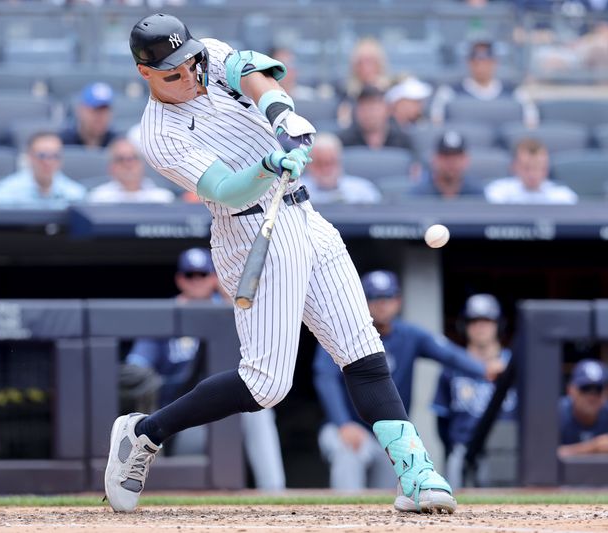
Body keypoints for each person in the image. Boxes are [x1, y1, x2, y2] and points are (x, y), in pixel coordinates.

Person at [105, 14, 458, 515]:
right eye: (171, 72)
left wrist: (280, 114)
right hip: (247, 228)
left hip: (304, 214)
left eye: (188, 63)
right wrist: (267, 165)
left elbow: (253, 72)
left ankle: (416, 471)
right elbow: (224, 189)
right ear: (145, 73)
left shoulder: (209, 54)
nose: (187, 76)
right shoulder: (158, 134)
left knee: (362, 349)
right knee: (266, 384)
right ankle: (144, 432)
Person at [313, 271, 504, 490]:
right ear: (361, 301)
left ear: (398, 301)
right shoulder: (342, 334)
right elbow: (325, 379)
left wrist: (483, 369)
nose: (382, 304)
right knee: (347, 451)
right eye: (374, 298)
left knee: (387, 492)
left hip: (389, 433)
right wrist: (342, 422)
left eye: (388, 298)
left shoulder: (410, 335)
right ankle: (343, 516)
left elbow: (448, 354)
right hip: (347, 427)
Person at [121, 247, 286, 491]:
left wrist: (228, 296)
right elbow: (137, 366)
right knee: (185, 476)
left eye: (203, 275)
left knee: (261, 413)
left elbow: (262, 324)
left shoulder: (235, 311)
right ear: (180, 279)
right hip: (184, 409)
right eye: (190, 275)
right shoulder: (166, 314)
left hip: (228, 404)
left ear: (214, 278)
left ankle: (274, 491)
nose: (197, 281)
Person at [433, 294, 517, 488]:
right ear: (464, 325)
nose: (480, 326)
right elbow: (441, 420)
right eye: (474, 321)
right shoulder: (452, 365)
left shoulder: (514, 365)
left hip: (505, 450)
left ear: (498, 325)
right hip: (463, 449)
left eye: (487, 320)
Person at [429, 40, 537, 127]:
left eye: (485, 60)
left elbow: (530, 126)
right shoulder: (448, 93)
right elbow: (437, 125)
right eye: (476, 61)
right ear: (469, 62)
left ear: (494, 62)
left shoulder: (516, 93)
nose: (480, 66)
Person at [0, 132, 87, 209]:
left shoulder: (76, 195)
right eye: (42, 156)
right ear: (29, 157)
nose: (48, 162)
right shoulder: (6, 193)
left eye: (55, 156)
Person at [484, 138, 578, 204]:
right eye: (526, 168)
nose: (533, 174)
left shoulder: (563, 197)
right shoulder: (498, 192)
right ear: (514, 167)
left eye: (538, 167)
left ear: (547, 168)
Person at [299, 132, 381, 204]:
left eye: (330, 163)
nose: (326, 170)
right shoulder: (296, 193)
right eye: (319, 164)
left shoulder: (363, 192)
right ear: (308, 165)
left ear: (340, 162)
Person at [88, 137, 175, 204]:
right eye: (121, 159)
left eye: (133, 158)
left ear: (142, 164)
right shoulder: (98, 199)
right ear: (111, 167)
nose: (128, 164)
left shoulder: (163, 199)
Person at [338, 85, 415, 153]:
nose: (368, 114)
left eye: (373, 109)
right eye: (363, 109)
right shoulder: (344, 142)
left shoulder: (403, 141)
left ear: (387, 110)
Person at [409, 131, 484, 198]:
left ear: (466, 160)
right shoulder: (419, 195)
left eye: (456, 157)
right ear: (434, 159)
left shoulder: (477, 195)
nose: (451, 162)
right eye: (445, 156)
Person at [59, 82, 119, 149]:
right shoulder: (64, 142)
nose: (100, 117)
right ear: (80, 110)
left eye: (105, 111)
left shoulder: (117, 144)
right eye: (95, 110)